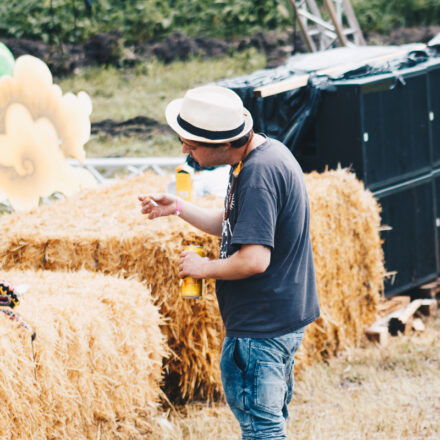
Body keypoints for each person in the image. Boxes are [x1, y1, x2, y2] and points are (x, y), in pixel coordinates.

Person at [139, 85, 320, 440]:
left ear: (223, 144)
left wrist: (202, 267)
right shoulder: (265, 154)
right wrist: (176, 207)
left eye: (192, 144)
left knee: (261, 428)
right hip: (278, 320)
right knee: (267, 421)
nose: (184, 150)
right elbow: (232, 225)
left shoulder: (257, 176)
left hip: (261, 329)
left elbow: (254, 260)